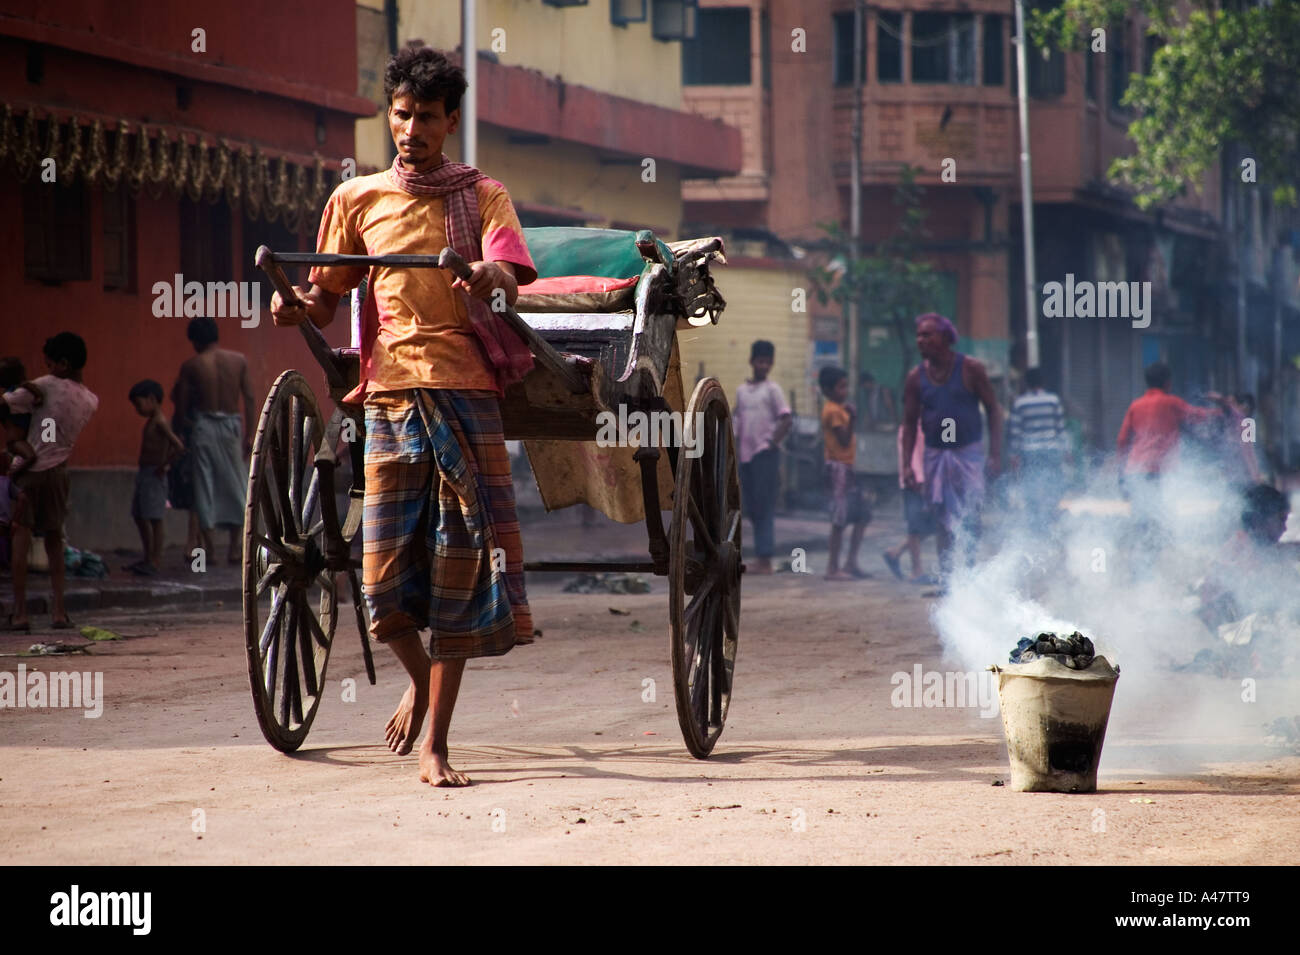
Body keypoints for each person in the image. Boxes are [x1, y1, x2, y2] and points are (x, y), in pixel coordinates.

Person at [271, 42, 536, 787]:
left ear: (451, 120)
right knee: (380, 586)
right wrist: (297, 309)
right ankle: (417, 678)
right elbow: (325, 298)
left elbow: (508, 271)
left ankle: (437, 745)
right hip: (389, 397)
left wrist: (489, 272)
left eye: (425, 116)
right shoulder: (355, 201)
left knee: (458, 569)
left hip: (467, 395)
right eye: (400, 114)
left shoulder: (484, 195)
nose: (410, 129)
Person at [2, 333, 99, 631]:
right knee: (55, 540)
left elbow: (6, 402)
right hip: (59, 472)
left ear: (63, 364)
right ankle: (58, 611)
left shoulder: (42, 386)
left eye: (48, 362)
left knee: (21, 538)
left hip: (29, 471)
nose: (45, 367)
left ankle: (21, 613)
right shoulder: (90, 400)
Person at [902, 313, 1001, 578]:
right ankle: (947, 581)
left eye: (927, 334)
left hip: (967, 454)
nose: (920, 340)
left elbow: (993, 409)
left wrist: (995, 454)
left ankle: (968, 576)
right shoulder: (916, 377)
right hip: (936, 455)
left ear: (945, 338)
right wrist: (907, 466)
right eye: (919, 335)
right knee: (942, 520)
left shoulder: (970, 369)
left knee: (970, 516)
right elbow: (910, 423)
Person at [173, 317, 254, 565]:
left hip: (204, 427)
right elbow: (249, 398)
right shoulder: (239, 360)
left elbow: (182, 405)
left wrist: (178, 431)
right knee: (236, 485)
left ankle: (210, 550)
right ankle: (234, 548)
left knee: (204, 487)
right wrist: (250, 435)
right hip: (232, 427)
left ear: (195, 341)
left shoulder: (192, 365)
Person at [732, 340, 791, 574]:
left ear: (771, 364)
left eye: (768, 362)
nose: (764, 365)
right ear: (752, 361)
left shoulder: (772, 390)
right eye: (760, 361)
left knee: (764, 507)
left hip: (765, 455)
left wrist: (770, 443)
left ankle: (765, 559)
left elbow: (786, 419)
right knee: (753, 507)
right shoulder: (742, 391)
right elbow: (736, 421)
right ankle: (760, 555)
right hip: (745, 457)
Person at [127, 379, 185, 575]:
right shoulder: (152, 421)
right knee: (139, 515)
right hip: (145, 474)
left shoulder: (160, 422)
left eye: (138, 404)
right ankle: (148, 556)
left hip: (154, 475)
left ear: (151, 399)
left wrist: (164, 466)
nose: (137, 409)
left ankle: (155, 560)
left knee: (154, 518)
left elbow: (178, 446)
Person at [819, 365, 871, 580]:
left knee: (862, 515)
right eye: (841, 387)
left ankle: (850, 562)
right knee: (839, 519)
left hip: (847, 468)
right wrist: (854, 418)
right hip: (838, 469)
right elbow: (844, 440)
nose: (845, 390)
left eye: (845, 385)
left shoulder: (839, 410)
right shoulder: (833, 411)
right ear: (828, 390)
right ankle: (833, 568)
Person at [1006, 367, 1069, 525]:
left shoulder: (1020, 403)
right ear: (1043, 381)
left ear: (1026, 383)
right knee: (1052, 485)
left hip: (1030, 452)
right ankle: (1051, 517)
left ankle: (1034, 520)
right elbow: (1061, 428)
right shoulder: (1053, 400)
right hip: (1051, 450)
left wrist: (1013, 455)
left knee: (1031, 487)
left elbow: (1015, 432)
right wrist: (1066, 450)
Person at [882, 421, 937, 584]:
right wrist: (918, 479)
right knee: (915, 526)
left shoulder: (924, 424)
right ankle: (916, 571)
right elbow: (912, 457)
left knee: (930, 526)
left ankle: (895, 552)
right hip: (914, 482)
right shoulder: (909, 428)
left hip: (924, 481)